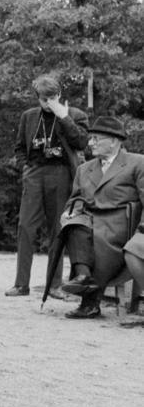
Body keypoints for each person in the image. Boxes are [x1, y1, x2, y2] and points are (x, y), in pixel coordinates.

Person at [6, 75, 88, 297]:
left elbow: (82, 142)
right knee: (25, 227)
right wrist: (25, 167)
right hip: (34, 173)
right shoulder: (29, 116)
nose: (49, 103)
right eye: (44, 99)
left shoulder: (75, 115)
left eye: (53, 98)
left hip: (61, 173)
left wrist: (64, 117)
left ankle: (54, 285)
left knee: (57, 229)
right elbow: (19, 147)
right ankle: (21, 284)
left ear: (60, 95)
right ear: (37, 98)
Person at [56, 117, 144, 320]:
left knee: (96, 238)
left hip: (121, 225)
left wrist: (142, 229)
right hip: (90, 222)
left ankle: (89, 301)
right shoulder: (84, 169)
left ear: (114, 141)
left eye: (96, 139)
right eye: (91, 139)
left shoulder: (137, 163)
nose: (90, 143)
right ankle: (83, 276)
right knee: (73, 225)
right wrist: (70, 212)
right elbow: (76, 199)